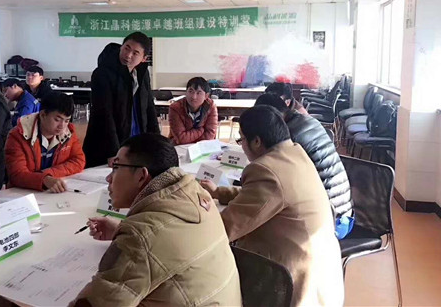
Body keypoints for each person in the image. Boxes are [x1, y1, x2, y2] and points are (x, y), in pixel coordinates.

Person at [71, 133, 241, 307]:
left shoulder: (139, 237)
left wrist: (132, 236)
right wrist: (120, 230)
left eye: (116, 167)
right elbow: (168, 239)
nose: (108, 178)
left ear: (141, 176)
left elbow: (98, 302)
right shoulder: (198, 195)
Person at [200, 105, 344, 307]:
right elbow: (266, 197)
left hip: (294, 281)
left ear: (257, 141)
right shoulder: (294, 152)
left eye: (242, 139)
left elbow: (226, 228)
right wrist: (219, 192)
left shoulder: (265, 170)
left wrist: (196, 211)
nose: (242, 145)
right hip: (324, 272)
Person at [255, 93, 353, 219]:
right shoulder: (307, 120)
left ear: (271, 117)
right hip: (343, 208)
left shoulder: (288, 137)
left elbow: (276, 179)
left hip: (331, 217)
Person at [83, 32, 160, 168]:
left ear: (144, 58)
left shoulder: (142, 73)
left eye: (135, 53)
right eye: (126, 48)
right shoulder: (102, 73)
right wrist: (113, 151)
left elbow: (149, 107)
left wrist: (157, 142)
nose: (128, 55)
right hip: (108, 141)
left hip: (136, 137)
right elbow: (104, 114)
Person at [5, 92, 85, 192]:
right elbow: (17, 174)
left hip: (51, 192)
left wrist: (48, 175)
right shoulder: (18, 135)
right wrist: (44, 179)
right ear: (43, 115)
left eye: (66, 121)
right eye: (57, 119)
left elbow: (78, 160)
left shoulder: (68, 132)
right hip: (21, 193)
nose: (62, 126)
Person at [168, 76, 218, 145]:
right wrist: (200, 130)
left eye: (198, 93)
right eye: (191, 91)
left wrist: (191, 139)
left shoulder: (211, 106)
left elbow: (210, 136)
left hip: (203, 147)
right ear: (186, 92)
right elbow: (181, 138)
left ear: (206, 96)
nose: (194, 97)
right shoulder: (175, 108)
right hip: (180, 146)